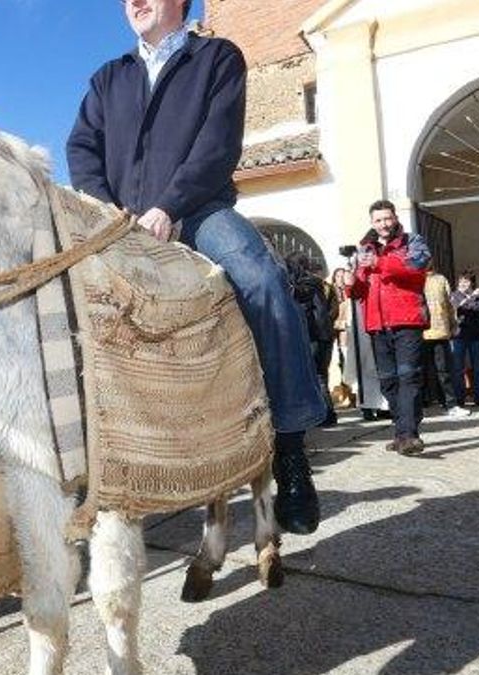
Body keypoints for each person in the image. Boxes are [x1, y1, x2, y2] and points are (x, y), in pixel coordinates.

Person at [66, 0, 325, 533]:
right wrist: (108, 213)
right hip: (118, 225)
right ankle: (87, 463)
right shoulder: (107, 78)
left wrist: (168, 207)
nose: (134, 2)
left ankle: (293, 449)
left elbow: (218, 145)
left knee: (263, 279)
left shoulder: (217, 58)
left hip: (199, 212)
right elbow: (81, 148)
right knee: (64, 306)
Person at [346, 200, 432, 455]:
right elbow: (359, 290)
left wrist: (379, 263)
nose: (383, 224)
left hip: (406, 319)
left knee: (409, 376)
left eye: (387, 219)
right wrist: (351, 282)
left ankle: (409, 435)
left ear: (394, 218)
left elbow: (417, 268)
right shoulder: (366, 249)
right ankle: (401, 430)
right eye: (378, 220)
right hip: (377, 324)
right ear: (372, 222)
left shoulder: (412, 241)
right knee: (388, 382)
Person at [286, 252, 338, 427]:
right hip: (323, 334)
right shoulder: (316, 282)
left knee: (317, 376)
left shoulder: (306, 283)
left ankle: (326, 415)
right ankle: (326, 414)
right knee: (321, 375)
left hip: (314, 334)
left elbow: (302, 302)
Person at [422, 266, 469, 418]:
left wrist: (453, 325)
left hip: (440, 331)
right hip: (419, 331)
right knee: (419, 371)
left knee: (444, 371)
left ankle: (450, 404)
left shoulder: (441, 279)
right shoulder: (414, 277)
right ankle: (421, 404)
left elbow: (449, 305)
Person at [450, 272, 479, 407]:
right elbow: (458, 308)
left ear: (471, 283)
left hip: (476, 335)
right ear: (458, 282)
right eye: (462, 281)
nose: (464, 284)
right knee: (458, 368)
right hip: (459, 335)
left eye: (467, 281)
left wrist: (472, 301)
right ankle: (460, 399)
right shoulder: (454, 295)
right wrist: (471, 298)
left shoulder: (478, 296)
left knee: (478, 367)